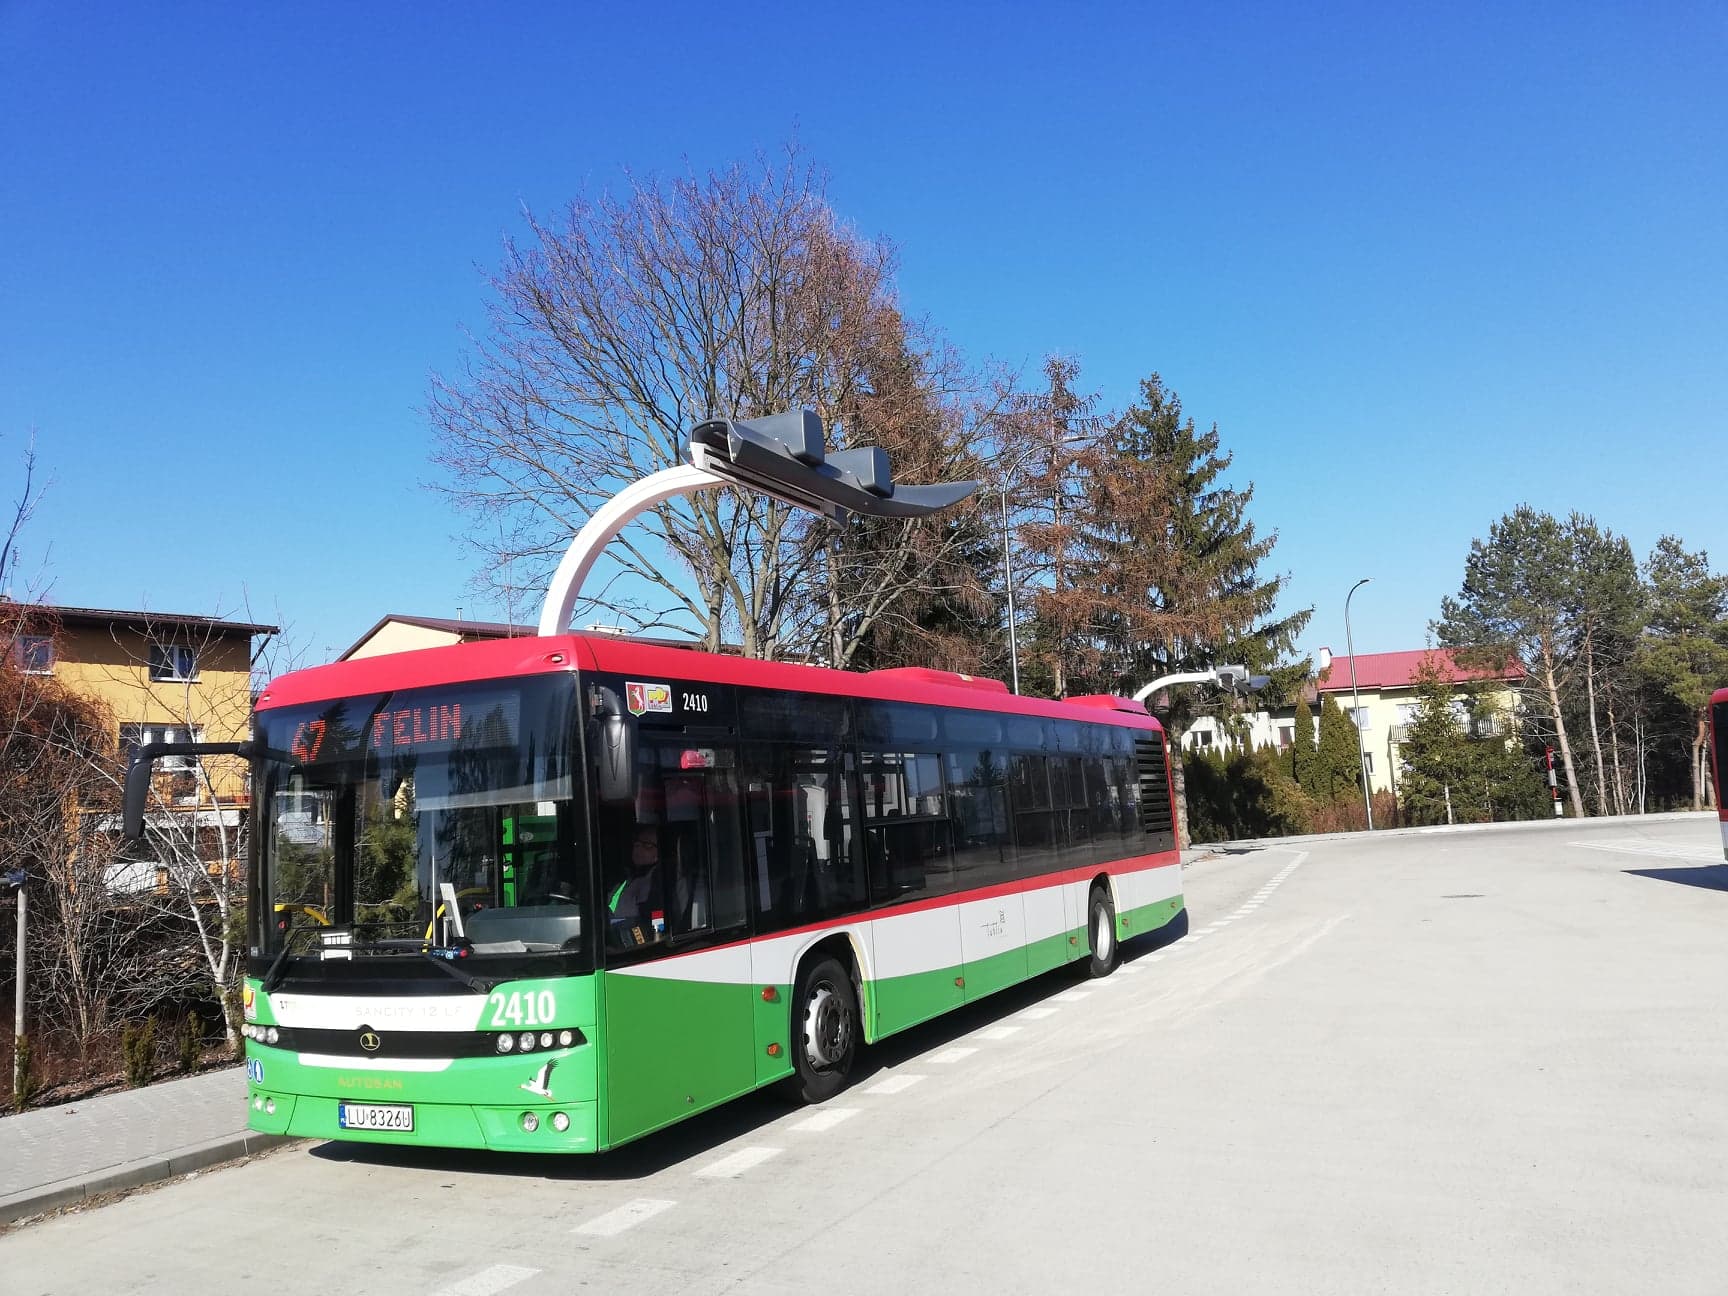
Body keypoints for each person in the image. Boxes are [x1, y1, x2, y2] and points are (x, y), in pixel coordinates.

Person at [607, 826, 663, 945]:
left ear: (658, 853)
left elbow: (657, 913)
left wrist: (657, 938)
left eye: (647, 846)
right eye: (637, 844)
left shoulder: (656, 879)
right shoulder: (629, 877)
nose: (639, 849)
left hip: (631, 941)